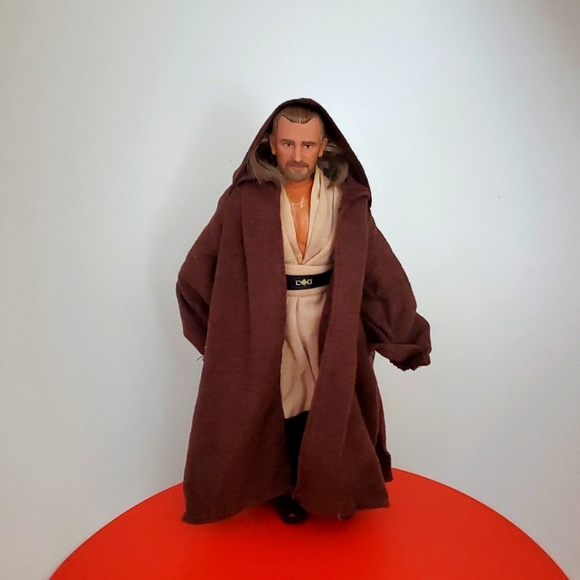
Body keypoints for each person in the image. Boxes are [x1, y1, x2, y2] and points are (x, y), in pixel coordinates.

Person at [176, 98, 431, 525]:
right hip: (267, 320)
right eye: (288, 143)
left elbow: (380, 271)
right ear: (271, 144)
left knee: (327, 400)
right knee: (280, 400)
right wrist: (221, 341)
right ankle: (283, 485)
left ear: (323, 146)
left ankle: (330, 485)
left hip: (329, 316)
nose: (297, 155)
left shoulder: (346, 201)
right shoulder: (244, 201)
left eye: (308, 145)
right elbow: (196, 273)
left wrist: (406, 333)